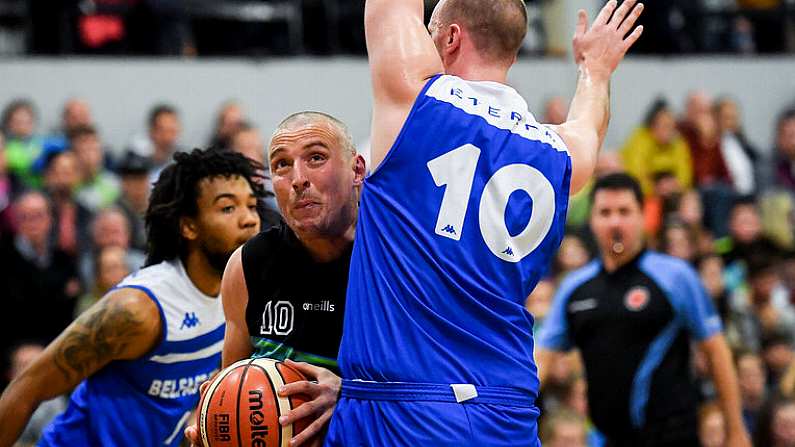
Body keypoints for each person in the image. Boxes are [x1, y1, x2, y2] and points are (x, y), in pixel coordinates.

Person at [327, 0, 644, 445]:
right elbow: (589, 124)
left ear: (451, 38)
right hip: (507, 411)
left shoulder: (416, 99)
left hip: (405, 405)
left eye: (432, 30)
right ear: (512, 54)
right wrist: (596, 67)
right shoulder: (561, 152)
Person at [0, 148, 263, 446]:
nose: (249, 220)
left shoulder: (237, 294)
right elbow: (27, 387)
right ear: (189, 226)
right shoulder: (138, 308)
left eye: (252, 206)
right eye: (228, 208)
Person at [184, 111, 365, 447]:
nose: (298, 178)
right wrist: (214, 423)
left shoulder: (396, 258)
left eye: (316, 158)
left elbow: (437, 382)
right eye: (281, 164)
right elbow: (233, 381)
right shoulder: (247, 264)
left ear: (357, 170)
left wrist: (348, 393)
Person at [536, 173, 750, 446]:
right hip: (608, 438)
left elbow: (716, 351)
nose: (615, 221)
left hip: (672, 436)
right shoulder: (575, 287)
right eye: (605, 212)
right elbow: (542, 360)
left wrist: (736, 429)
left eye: (624, 211)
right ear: (592, 220)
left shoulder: (675, 276)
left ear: (641, 217)